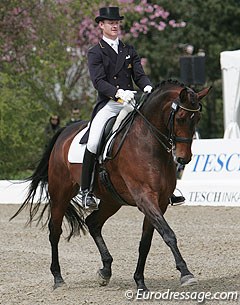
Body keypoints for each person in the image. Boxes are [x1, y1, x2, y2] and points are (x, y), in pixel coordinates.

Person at [80, 6, 184, 209]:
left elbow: (139, 75)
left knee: (158, 134)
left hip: (131, 103)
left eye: (117, 22)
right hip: (110, 104)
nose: (115, 26)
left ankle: (169, 188)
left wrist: (147, 86)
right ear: (101, 25)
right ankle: (85, 191)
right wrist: (118, 93)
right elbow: (99, 81)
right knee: (93, 142)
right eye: (111, 23)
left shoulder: (129, 51)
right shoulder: (95, 52)